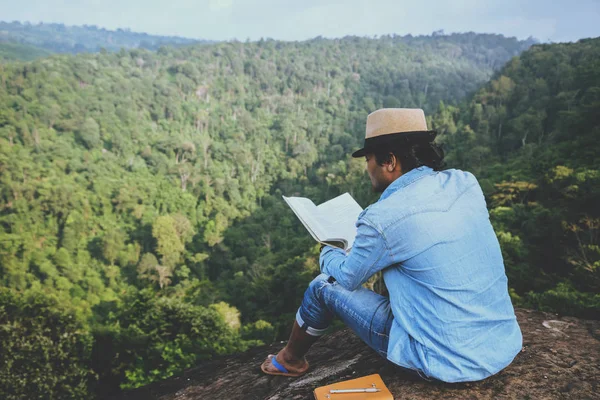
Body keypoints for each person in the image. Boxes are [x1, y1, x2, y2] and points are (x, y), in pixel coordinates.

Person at [261, 108, 522, 382]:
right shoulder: (465, 182)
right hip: (500, 345)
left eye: (369, 159)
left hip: (440, 359)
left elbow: (347, 278)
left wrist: (329, 249)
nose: (367, 168)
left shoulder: (384, 216)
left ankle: (289, 361)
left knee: (322, 286)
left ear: (389, 161)